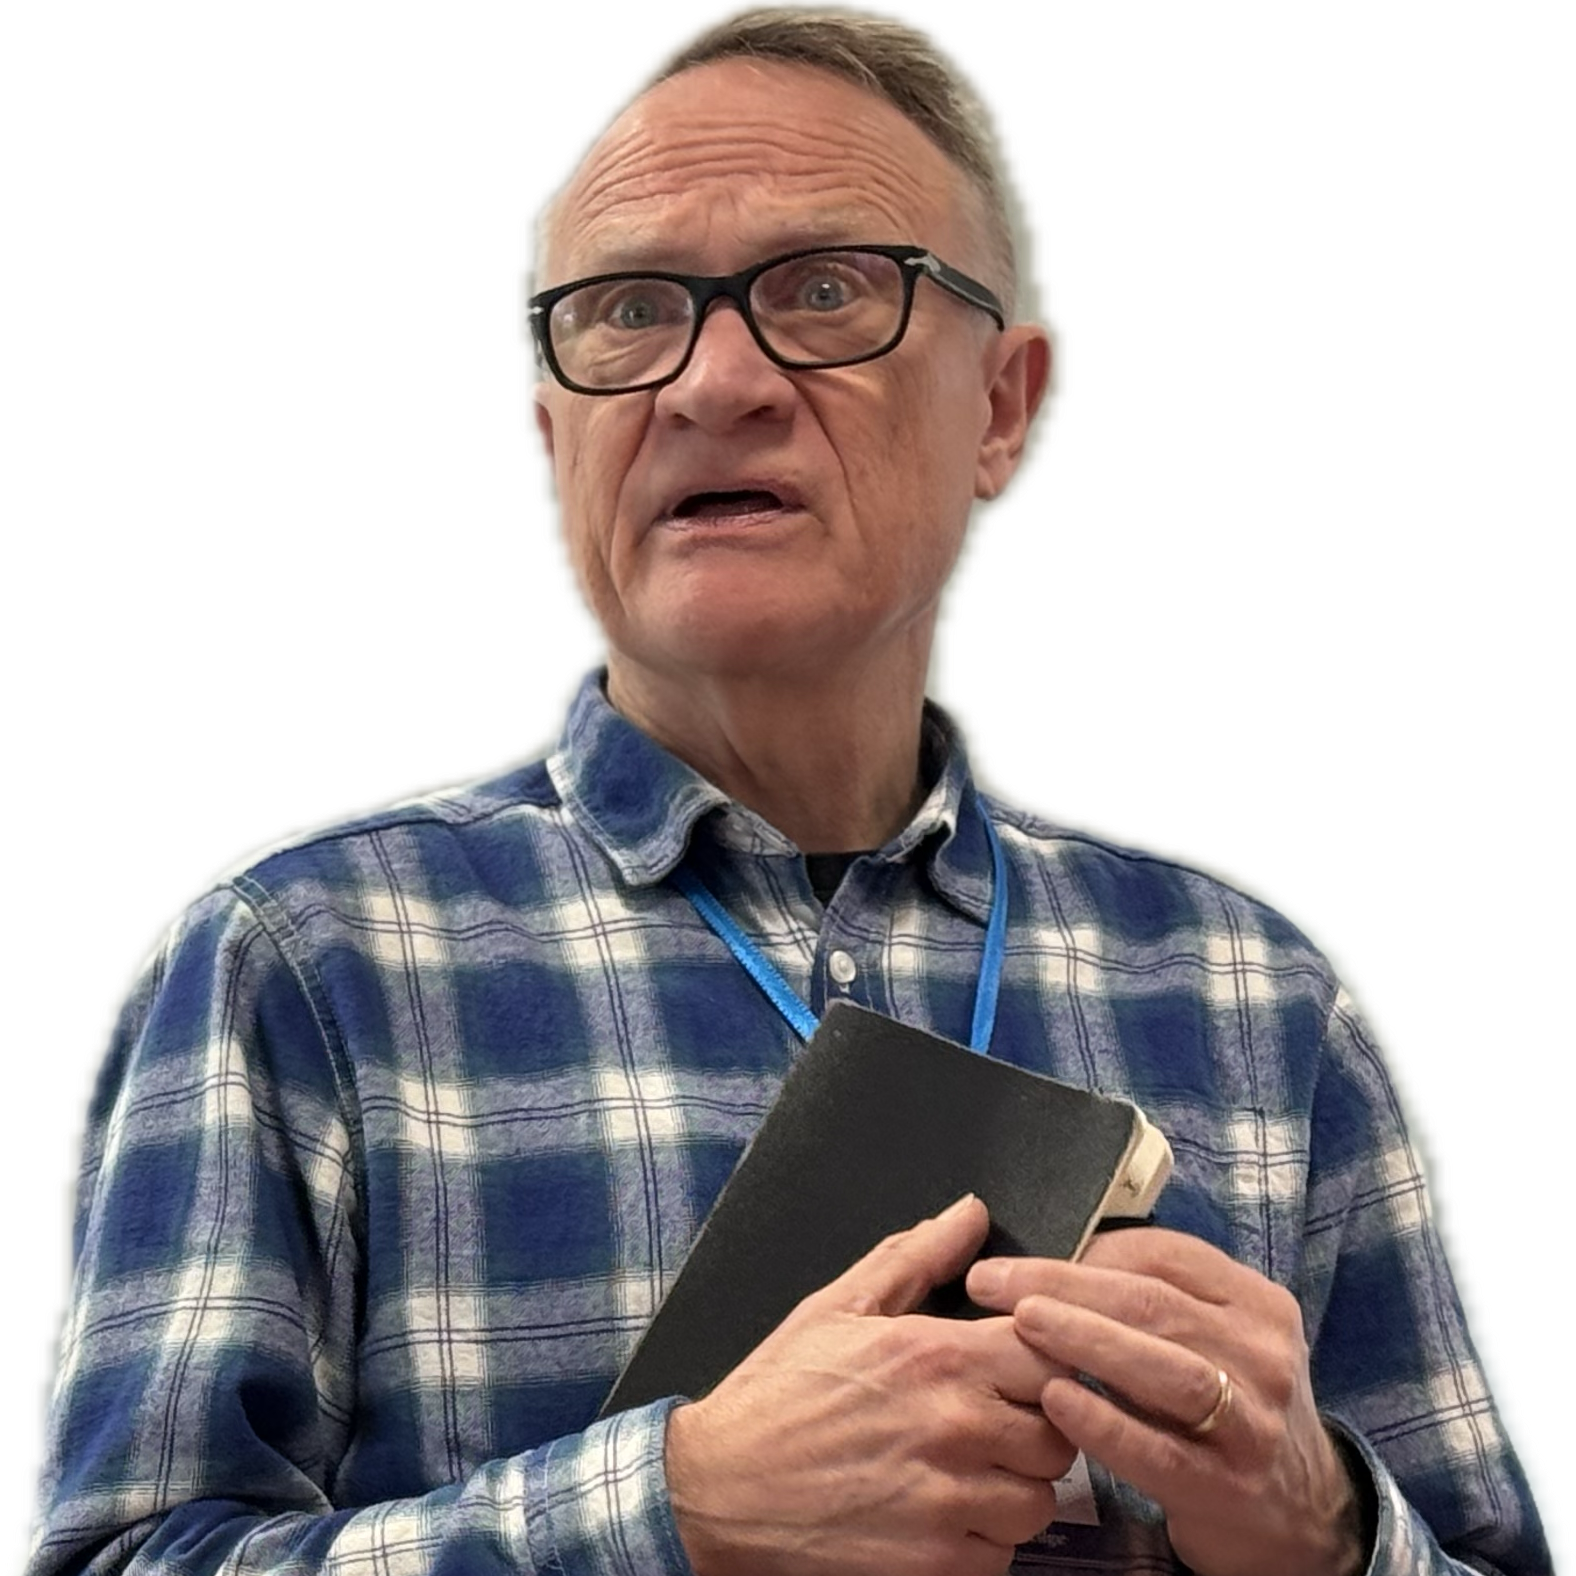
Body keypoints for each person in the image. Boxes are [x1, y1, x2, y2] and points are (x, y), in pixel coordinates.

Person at [18, 4, 1556, 1573]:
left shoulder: (1261, 997)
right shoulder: (297, 963)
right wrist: (675, 1507)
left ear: (1004, 405)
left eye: (825, 289)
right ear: (554, 433)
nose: (713, 383)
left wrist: (1325, 1527)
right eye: (629, 312)